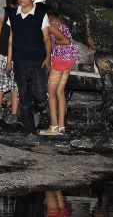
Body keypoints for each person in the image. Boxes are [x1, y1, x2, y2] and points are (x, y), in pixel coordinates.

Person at [5, 0, 55, 140]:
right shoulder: (13, 14)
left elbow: (47, 38)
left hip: (38, 60)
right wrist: (8, 61)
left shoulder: (41, 14)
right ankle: (30, 130)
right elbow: (11, 39)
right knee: (24, 95)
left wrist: (48, 57)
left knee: (41, 95)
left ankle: (35, 110)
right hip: (19, 60)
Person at [39, 7, 76, 137]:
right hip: (69, 58)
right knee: (60, 91)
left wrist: (51, 41)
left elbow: (65, 40)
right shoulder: (58, 20)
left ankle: (53, 126)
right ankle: (61, 127)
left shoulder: (49, 23)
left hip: (60, 58)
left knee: (51, 92)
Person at [0, 0, 19, 123]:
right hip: (20, 56)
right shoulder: (26, 14)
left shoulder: (5, 11)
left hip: (3, 54)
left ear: (11, 3)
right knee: (15, 86)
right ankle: (13, 114)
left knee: (0, 83)